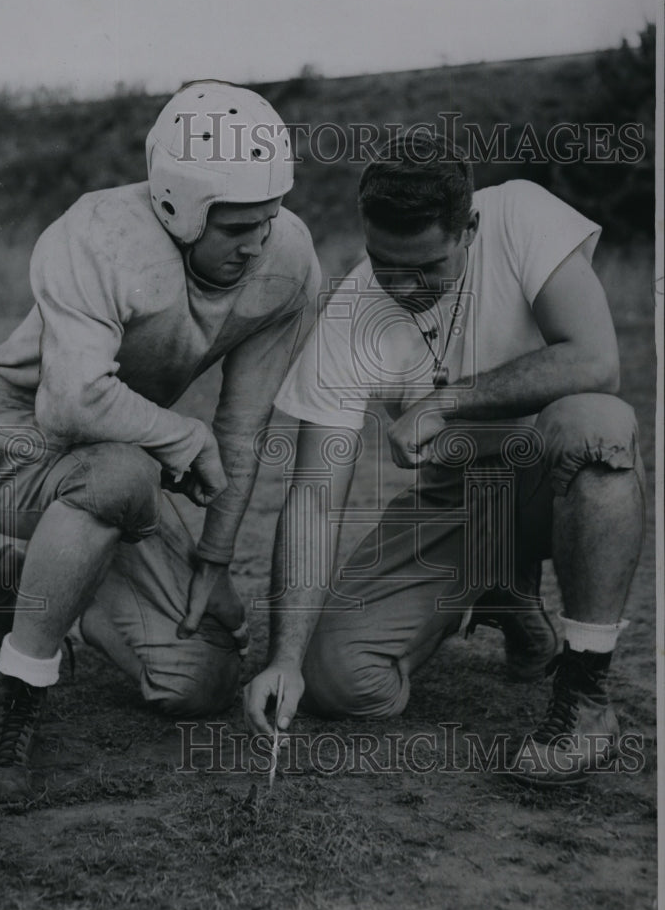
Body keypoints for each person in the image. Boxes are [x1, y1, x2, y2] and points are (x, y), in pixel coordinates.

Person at [0, 80, 319, 810]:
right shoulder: (99, 231)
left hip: (113, 461)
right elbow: (70, 401)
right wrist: (180, 433)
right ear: (179, 208)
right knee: (123, 475)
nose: (256, 244)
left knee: (203, 674)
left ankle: (26, 579)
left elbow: (242, 429)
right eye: (236, 226)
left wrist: (212, 560)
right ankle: (17, 698)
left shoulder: (288, 261)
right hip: (9, 444)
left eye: (267, 220)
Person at [244, 130, 645, 787]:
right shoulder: (350, 313)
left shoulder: (518, 214)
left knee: (596, 426)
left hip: (552, 474)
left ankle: (583, 696)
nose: (403, 286)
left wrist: (444, 404)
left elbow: (595, 361)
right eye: (385, 263)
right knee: (339, 682)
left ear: (470, 228)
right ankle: (501, 590)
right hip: (456, 499)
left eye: (427, 268)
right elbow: (315, 496)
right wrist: (283, 657)